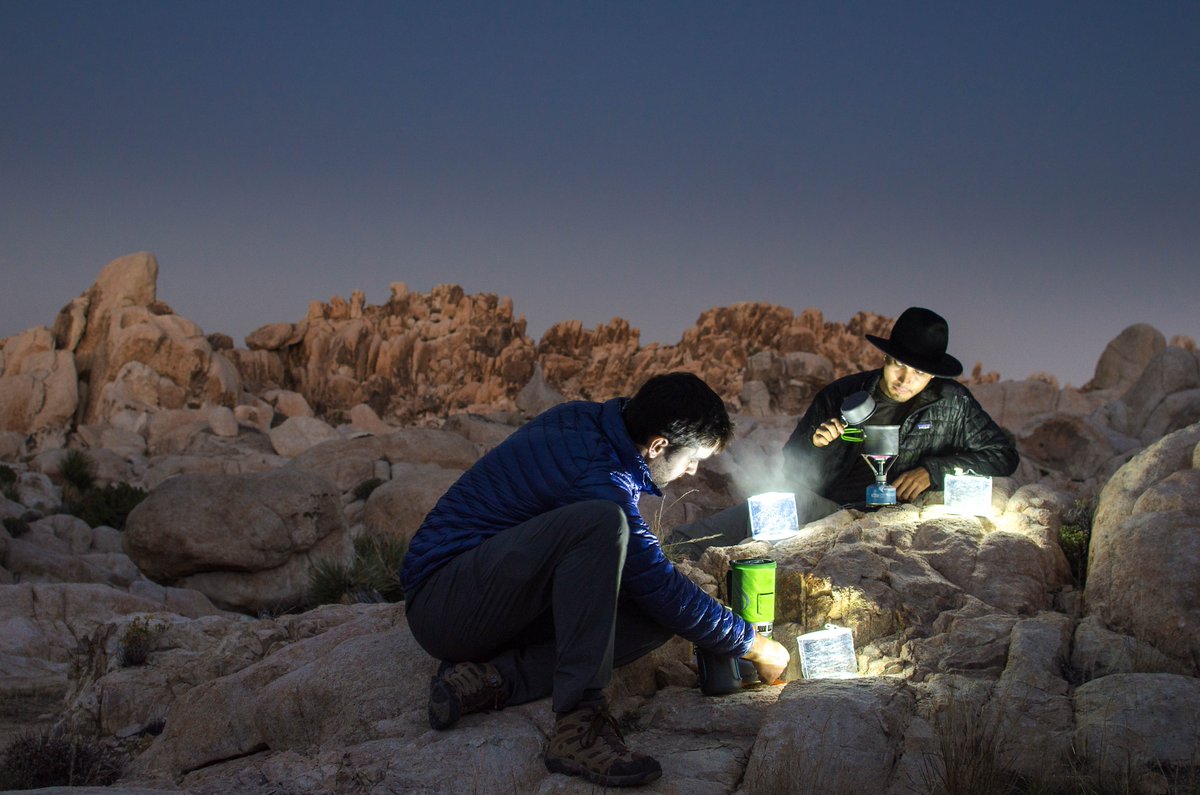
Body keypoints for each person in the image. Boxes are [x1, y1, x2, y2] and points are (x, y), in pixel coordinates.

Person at [400, 372, 790, 789]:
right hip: (445, 603)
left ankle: (491, 680)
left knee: (655, 617)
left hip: (499, 594)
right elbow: (659, 583)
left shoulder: (589, 421)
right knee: (604, 524)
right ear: (659, 445)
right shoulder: (596, 474)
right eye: (691, 459)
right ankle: (578, 726)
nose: (693, 471)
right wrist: (754, 645)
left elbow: (654, 594)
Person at [666, 307, 1019, 553]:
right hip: (830, 511)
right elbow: (792, 468)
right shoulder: (842, 396)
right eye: (898, 365)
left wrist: (933, 471)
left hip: (906, 520)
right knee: (774, 508)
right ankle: (675, 548)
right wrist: (819, 445)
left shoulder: (953, 403)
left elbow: (1003, 456)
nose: (905, 380)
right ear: (885, 357)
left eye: (919, 373)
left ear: (933, 373)